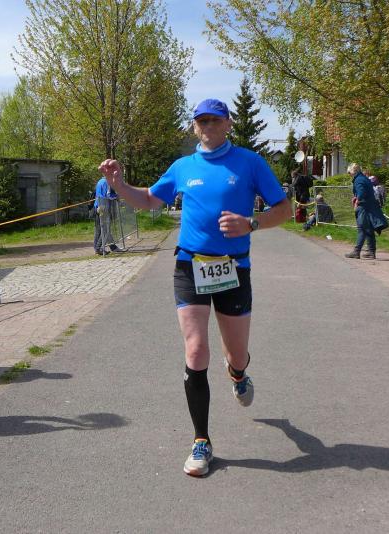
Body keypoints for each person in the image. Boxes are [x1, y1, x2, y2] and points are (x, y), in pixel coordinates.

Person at [98, 98, 292, 477]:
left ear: (228, 124)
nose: (208, 126)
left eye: (215, 120)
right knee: (196, 349)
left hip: (234, 268)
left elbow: (283, 208)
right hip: (190, 266)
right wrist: (118, 184)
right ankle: (201, 440)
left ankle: (238, 373)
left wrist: (251, 223)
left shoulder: (250, 162)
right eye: (201, 121)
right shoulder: (183, 167)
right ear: (194, 127)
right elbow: (148, 199)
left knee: (237, 354)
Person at [345, 163, 387, 260]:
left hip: (364, 207)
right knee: (368, 229)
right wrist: (357, 197)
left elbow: (361, 192)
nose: (349, 174)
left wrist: (357, 201)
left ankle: (356, 251)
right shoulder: (364, 178)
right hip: (370, 206)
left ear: (353, 171)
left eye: (349, 172)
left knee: (362, 228)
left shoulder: (358, 180)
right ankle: (371, 251)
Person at [93, 176, 119, 254]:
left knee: (98, 229)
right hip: (104, 207)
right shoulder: (108, 182)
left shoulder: (100, 181)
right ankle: (98, 248)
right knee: (105, 229)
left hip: (97, 206)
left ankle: (110, 247)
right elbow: (108, 195)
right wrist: (117, 196)